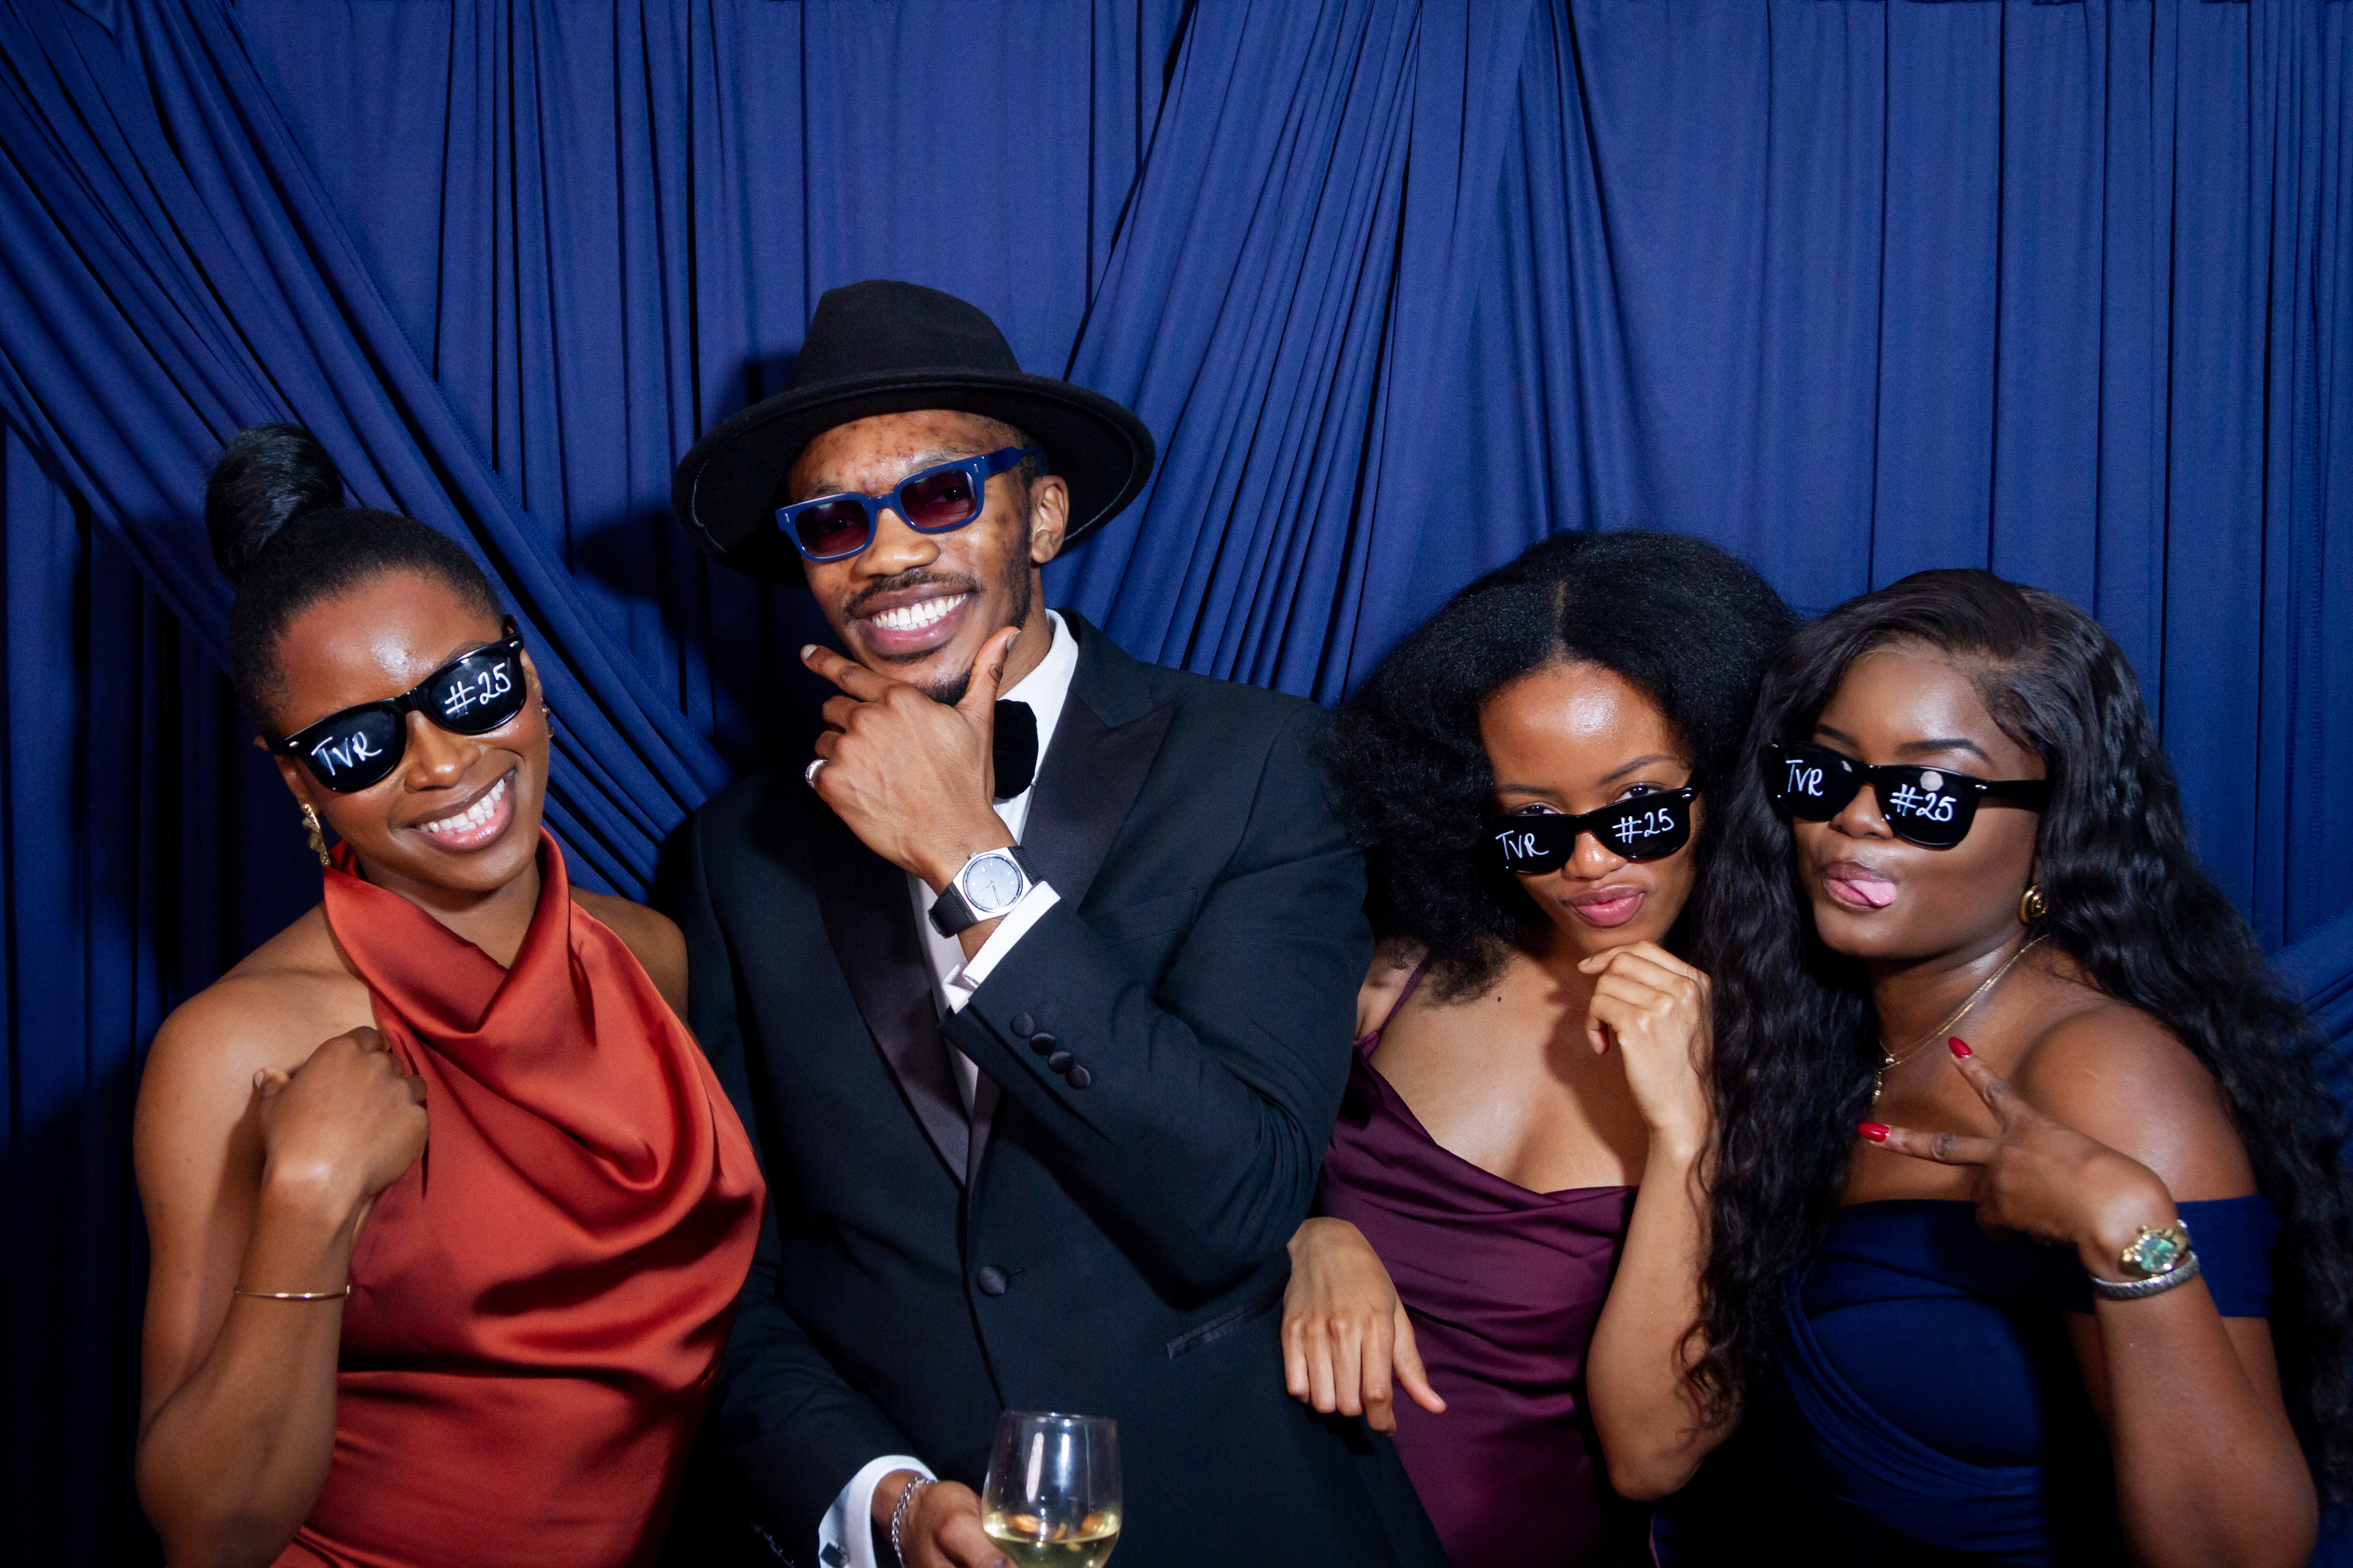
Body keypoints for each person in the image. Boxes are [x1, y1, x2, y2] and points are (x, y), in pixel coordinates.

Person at [668, 280, 1447, 1568]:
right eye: (834, 520)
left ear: (1040, 514)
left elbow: (1243, 1193)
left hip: (1243, 1513)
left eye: (937, 494)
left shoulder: (1263, 765)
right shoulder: (730, 853)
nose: (887, 554)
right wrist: (881, 1498)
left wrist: (967, 859)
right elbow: (728, 1277)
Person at [132, 427, 766, 1568]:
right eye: (359, 743)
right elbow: (209, 1532)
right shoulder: (233, 1045)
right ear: (299, 777)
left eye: (469, 690)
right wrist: (310, 1198)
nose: (439, 761)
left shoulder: (652, 954)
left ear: (529, 676)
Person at [1693, 569, 2353, 1566]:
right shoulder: (1823, 1039)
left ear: (2054, 828)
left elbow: (2237, 1555)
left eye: (1928, 793)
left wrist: (2126, 1229)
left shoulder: (2099, 1071)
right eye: (1824, 773)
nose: (1855, 818)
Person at [1276, 532, 1797, 1567]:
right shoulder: (1395, 972)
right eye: (1535, 825)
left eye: (1639, 809)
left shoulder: (1784, 1058)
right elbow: (1193, 1185)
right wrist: (1302, 1238)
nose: (1589, 860)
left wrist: (1689, 1129)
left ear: (1729, 781)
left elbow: (1651, 1456)